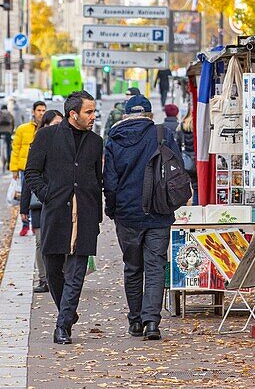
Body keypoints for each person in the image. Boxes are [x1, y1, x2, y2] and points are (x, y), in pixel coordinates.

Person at [24, 91, 102, 345]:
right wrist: (48, 195)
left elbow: (97, 178)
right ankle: (66, 311)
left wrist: (99, 214)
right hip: (56, 212)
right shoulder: (47, 136)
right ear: (73, 114)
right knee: (53, 267)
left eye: (93, 111)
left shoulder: (95, 141)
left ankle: (62, 325)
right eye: (88, 112)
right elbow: (32, 172)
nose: (93, 116)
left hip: (86, 213)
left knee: (77, 270)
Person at [104, 93, 178, 341]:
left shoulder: (114, 140)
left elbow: (110, 183)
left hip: (127, 214)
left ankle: (135, 320)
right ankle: (152, 322)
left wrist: (112, 209)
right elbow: (176, 169)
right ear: (150, 115)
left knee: (132, 267)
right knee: (156, 267)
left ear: (125, 116)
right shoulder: (162, 134)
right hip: (159, 211)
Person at [20, 110, 64, 294]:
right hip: (40, 202)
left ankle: (59, 276)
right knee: (41, 242)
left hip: (58, 203)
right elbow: (29, 177)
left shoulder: (65, 145)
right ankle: (44, 278)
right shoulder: (39, 143)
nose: (60, 128)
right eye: (55, 124)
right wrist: (24, 207)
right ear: (45, 126)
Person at [11, 100, 46, 234]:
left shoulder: (46, 129)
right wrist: (14, 169)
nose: (41, 113)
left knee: (37, 196)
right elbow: (16, 149)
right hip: (25, 167)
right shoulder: (23, 129)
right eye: (39, 110)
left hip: (40, 168)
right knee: (25, 195)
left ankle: (35, 223)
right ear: (33, 112)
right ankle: (25, 223)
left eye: (43, 110)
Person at [176, 111, 197, 194]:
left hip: (186, 161)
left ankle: (184, 204)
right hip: (197, 161)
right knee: (197, 187)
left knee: (184, 185)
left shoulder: (181, 126)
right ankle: (196, 204)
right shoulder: (199, 125)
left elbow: (177, 145)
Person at [0, 103, 15, 170]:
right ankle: (9, 162)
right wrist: (11, 132)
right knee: (9, 146)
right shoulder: (9, 115)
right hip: (8, 131)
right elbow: (13, 123)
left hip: (0, 131)